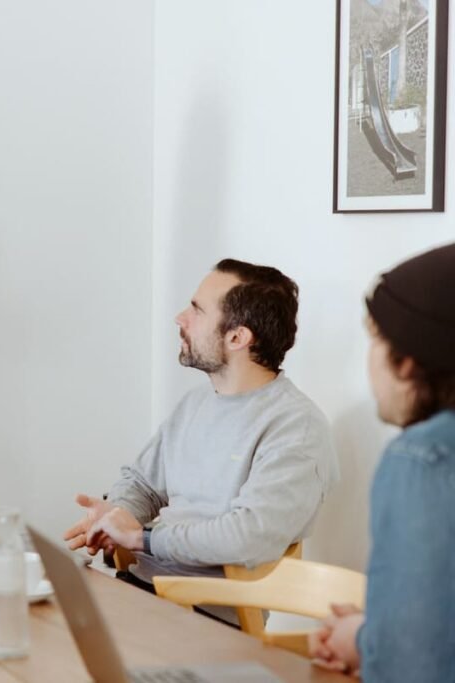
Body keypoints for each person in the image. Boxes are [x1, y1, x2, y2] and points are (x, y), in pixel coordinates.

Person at [64, 259, 338, 622]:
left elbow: (247, 536)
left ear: (238, 337)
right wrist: (117, 515)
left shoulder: (297, 428)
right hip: (141, 590)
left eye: (196, 311)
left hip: (203, 615)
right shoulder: (196, 402)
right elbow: (144, 482)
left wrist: (141, 539)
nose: (180, 318)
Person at [310, 244, 455, 680]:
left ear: (407, 362)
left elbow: (411, 665)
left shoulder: (423, 459)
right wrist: (368, 636)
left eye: (375, 339)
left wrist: (375, 643)